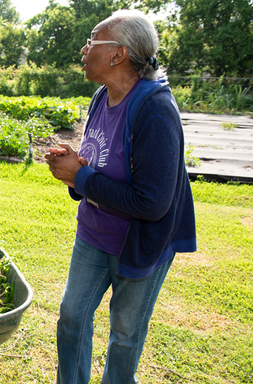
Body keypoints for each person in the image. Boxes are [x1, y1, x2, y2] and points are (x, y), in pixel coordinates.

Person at [44, 10, 197, 384]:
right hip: (94, 236)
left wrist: (81, 178)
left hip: (139, 244)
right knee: (72, 318)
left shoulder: (155, 111)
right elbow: (99, 161)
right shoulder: (101, 96)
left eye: (91, 41)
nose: (83, 49)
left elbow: (152, 203)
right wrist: (74, 167)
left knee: (125, 336)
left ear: (118, 54)